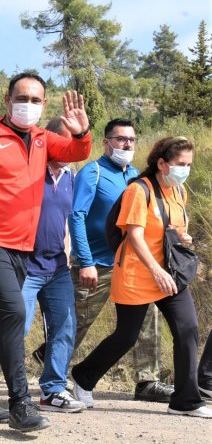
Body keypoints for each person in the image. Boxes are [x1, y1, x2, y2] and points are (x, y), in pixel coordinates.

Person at [0, 72, 91, 433]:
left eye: (36, 100)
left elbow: (75, 152)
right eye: (22, 98)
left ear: (44, 105)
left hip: (23, 247)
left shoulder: (42, 139)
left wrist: (82, 131)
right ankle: (20, 402)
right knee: (12, 310)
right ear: (7, 101)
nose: (29, 105)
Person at [71, 137, 211, 418]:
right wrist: (155, 270)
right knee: (126, 336)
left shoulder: (178, 191)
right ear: (161, 163)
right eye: (180, 164)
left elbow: (170, 228)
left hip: (169, 275)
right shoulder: (139, 190)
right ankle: (82, 377)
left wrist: (183, 237)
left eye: (189, 165)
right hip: (138, 273)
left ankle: (185, 400)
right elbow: (134, 236)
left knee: (187, 330)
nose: (185, 170)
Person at [43, 118, 172, 403]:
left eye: (131, 140)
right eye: (121, 139)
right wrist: (85, 261)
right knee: (75, 323)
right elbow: (76, 217)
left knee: (145, 321)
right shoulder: (93, 172)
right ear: (107, 141)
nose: (127, 144)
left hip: (130, 266)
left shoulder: (137, 176)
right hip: (96, 264)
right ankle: (52, 374)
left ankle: (147, 381)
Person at [20, 117, 84, 413]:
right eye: (66, 142)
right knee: (15, 326)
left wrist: (71, 253)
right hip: (24, 266)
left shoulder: (72, 175)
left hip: (57, 267)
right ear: (49, 139)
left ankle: (52, 391)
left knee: (64, 327)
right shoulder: (28, 169)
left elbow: (70, 219)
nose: (71, 148)